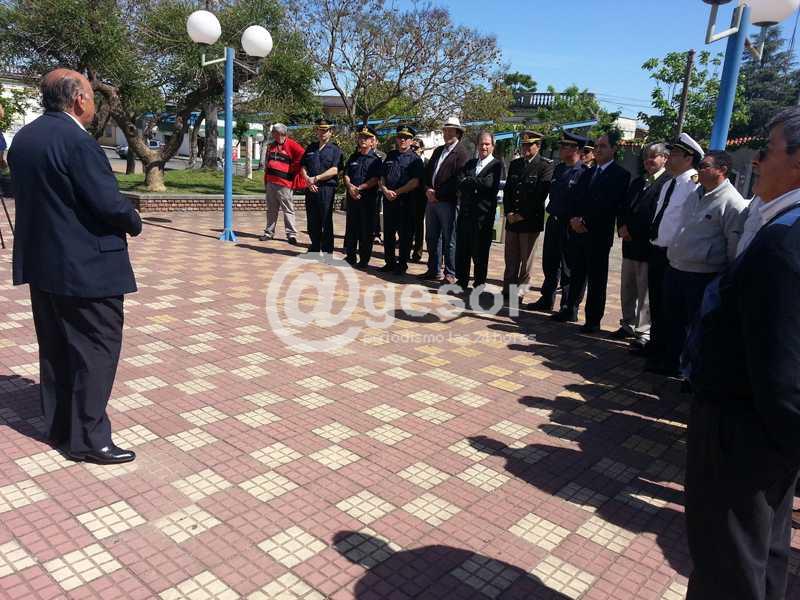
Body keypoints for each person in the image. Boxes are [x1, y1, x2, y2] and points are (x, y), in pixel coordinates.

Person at [683, 107, 800, 600]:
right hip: (762, 434)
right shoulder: (781, 224)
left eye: (768, 151)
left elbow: (782, 369)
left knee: (728, 562)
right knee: (763, 553)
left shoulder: (785, 241)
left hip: (743, 433)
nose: (757, 161)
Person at [8, 69, 142, 464]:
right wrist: (133, 219)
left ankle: (58, 426)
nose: (94, 103)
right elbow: (107, 203)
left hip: (43, 264)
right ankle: (88, 439)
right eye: (92, 96)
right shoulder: (79, 143)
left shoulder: (24, 139)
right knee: (96, 351)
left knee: (56, 349)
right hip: (87, 268)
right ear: (79, 99)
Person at [653, 151, 747, 377]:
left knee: (695, 327)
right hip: (676, 267)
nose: (699, 170)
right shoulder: (695, 194)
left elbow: (733, 246)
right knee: (671, 321)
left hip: (702, 275)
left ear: (722, 170)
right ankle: (669, 362)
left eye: (705, 166)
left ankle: (689, 372)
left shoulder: (731, 203)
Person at [556, 131, 630, 332]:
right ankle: (570, 309)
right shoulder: (588, 172)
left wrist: (585, 221)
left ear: (614, 149)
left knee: (597, 279)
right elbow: (576, 199)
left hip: (598, 235)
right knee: (577, 274)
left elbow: (609, 205)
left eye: (603, 146)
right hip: (579, 232)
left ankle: (593, 320)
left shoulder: (620, 175)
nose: (598, 150)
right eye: (596, 146)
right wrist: (574, 219)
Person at [644, 132, 702, 370]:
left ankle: (669, 357)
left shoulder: (694, 185)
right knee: (657, 304)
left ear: (689, 158)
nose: (669, 158)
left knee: (672, 311)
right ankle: (656, 347)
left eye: (675, 154)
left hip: (674, 255)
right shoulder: (669, 183)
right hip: (657, 250)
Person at [613, 143, 672, 346]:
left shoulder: (667, 183)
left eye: (654, 156)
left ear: (665, 158)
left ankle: (644, 332)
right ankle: (627, 323)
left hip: (647, 247)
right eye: (646, 156)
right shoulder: (638, 181)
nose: (649, 160)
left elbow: (654, 214)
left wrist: (633, 230)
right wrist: (621, 226)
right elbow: (623, 207)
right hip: (629, 245)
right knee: (627, 288)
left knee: (644, 291)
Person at [528, 132, 587, 313]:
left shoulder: (583, 173)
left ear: (576, 149)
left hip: (569, 226)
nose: (560, 149)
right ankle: (547, 299)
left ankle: (567, 306)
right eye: (561, 145)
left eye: (565, 146)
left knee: (568, 267)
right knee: (550, 263)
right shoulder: (559, 169)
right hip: (553, 222)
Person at [502, 131, 553, 302]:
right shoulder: (515, 164)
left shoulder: (545, 166)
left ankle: (520, 291)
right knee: (511, 258)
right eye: (523, 145)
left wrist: (522, 215)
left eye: (529, 145)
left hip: (529, 221)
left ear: (538, 146)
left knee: (526, 260)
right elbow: (508, 190)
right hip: (512, 220)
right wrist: (509, 212)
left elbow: (539, 195)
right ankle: (508, 288)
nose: (525, 148)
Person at [420, 117, 470, 283]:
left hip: (448, 202)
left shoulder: (462, 153)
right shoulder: (438, 151)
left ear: (458, 133)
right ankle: (433, 269)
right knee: (432, 237)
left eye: (450, 131)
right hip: (431, 200)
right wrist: (427, 189)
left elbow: (458, 179)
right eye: (445, 130)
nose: (446, 133)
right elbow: (428, 172)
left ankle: (450, 272)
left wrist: (438, 193)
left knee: (449, 239)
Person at [454, 130, 504, 291]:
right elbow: (459, 181)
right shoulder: (470, 163)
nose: (484, 147)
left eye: (487, 144)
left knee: (480, 252)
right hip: (466, 214)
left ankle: (478, 284)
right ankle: (461, 280)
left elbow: (488, 184)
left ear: (493, 146)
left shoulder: (496, 165)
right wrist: (474, 183)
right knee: (463, 249)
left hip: (483, 217)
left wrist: (470, 181)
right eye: (481, 144)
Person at [379, 125, 424, 274]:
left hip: (405, 202)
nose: (402, 140)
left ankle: (402, 264)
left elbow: (415, 182)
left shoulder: (415, 160)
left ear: (411, 140)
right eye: (400, 137)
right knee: (388, 233)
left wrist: (396, 192)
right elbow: (382, 176)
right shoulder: (390, 155)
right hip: (389, 200)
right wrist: (385, 190)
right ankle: (389, 262)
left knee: (405, 235)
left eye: (406, 138)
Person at [301, 118, 343, 256]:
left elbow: (335, 170)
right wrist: (308, 180)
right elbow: (303, 166)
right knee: (312, 219)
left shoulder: (335, 149)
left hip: (326, 189)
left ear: (330, 132)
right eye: (320, 130)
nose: (322, 133)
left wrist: (316, 178)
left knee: (325, 219)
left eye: (325, 130)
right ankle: (314, 247)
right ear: (317, 131)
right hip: (310, 187)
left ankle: (327, 250)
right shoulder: (311, 147)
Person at [343, 125, 382, 267]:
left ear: (372, 141)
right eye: (361, 137)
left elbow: (376, 179)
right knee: (351, 228)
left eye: (366, 138)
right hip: (352, 198)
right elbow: (346, 174)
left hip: (367, 199)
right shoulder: (354, 157)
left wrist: (359, 188)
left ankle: (364, 259)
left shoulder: (376, 159)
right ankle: (350, 256)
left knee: (366, 230)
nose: (363, 140)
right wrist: (350, 186)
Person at [259, 123, 304, 244]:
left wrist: (293, 168)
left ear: (281, 133)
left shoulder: (292, 144)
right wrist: (266, 180)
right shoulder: (271, 145)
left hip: (285, 184)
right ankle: (269, 232)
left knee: (288, 209)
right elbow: (268, 163)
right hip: (271, 182)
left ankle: (291, 235)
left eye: (274, 132)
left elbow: (302, 155)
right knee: (271, 209)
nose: (272, 134)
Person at [410, 137, 428, 263]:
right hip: (408, 196)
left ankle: (417, 252)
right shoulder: (408, 161)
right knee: (407, 224)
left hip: (422, 197)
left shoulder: (427, 162)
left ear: (422, 149)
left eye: (415, 147)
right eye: (411, 147)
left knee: (418, 225)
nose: (413, 149)